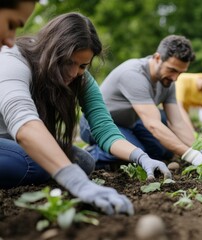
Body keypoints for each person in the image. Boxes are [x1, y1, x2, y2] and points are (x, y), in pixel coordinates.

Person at [0, 12, 172, 216]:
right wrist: (77, 183)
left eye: (82, 65)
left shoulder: (80, 79)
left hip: (16, 141)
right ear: (52, 51)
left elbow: (104, 128)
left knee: (84, 162)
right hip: (11, 136)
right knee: (36, 163)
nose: (73, 73)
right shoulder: (13, 60)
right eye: (67, 62)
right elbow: (24, 123)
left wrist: (142, 157)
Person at [80, 35, 202, 166]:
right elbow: (153, 124)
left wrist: (201, 148)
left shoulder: (168, 82)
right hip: (97, 124)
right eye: (172, 70)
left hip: (129, 124)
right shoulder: (134, 74)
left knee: (163, 151)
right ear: (157, 58)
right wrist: (192, 156)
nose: (175, 78)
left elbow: (177, 123)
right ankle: (87, 155)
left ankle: (121, 144)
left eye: (180, 72)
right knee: (135, 153)